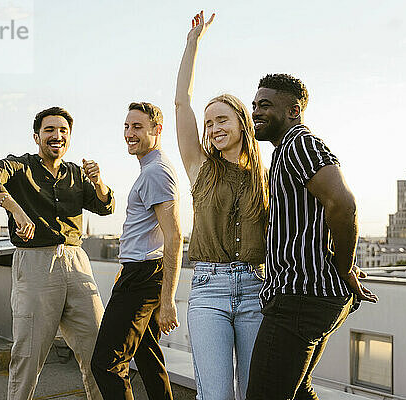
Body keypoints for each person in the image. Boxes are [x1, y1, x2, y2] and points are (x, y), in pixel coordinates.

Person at [246, 74, 378, 400]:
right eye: (254, 106)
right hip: (306, 299)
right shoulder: (283, 152)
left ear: (293, 110)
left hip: (299, 300)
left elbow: (343, 205)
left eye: (265, 105)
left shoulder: (298, 144)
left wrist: (346, 266)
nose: (256, 113)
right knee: (299, 391)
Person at [0, 107, 113, 400]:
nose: (56, 135)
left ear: (69, 137)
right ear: (37, 137)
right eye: (49, 130)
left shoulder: (76, 173)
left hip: (76, 261)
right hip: (36, 264)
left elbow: (105, 207)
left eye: (63, 131)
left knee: (98, 348)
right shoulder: (20, 166)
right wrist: (16, 209)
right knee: (28, 355)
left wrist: (98, 181)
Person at [175, 11, 269, 400]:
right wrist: (192, 43)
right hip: (208, 289)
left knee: (254, 392)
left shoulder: (266, 177)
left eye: (221, 120)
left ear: (242, 123)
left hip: (257, 289)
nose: (212, 128)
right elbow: (182, 104)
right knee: (215, 395)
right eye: (209, 123)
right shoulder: (200, 169)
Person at [91, 102, 183, 400]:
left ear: (157, 130)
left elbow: (175, 235)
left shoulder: (156, 172)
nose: (130, 133)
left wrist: (168, 299)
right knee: (147, 355)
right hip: (140, 271)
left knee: (107, 363)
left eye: (138, 127)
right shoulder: (151, 169)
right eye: (127, 127)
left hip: (143, 278)